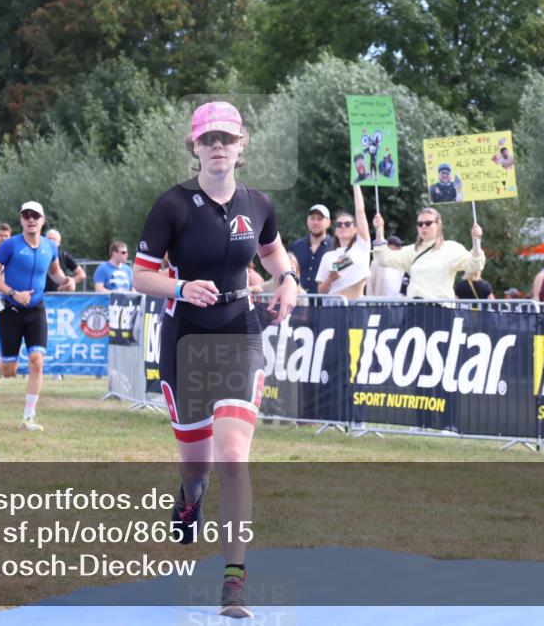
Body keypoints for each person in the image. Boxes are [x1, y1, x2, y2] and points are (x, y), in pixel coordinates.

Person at [132, 101, 297, 619]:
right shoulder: (172, 206)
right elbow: (141, 276)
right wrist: (180, 285)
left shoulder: (259, 203)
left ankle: (233, 581)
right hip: (185, 340)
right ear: (195, 146)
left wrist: (287, 279)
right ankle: (189, 493)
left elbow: (271, 252)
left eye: (227, 138)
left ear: (242, 144)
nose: (218, 146)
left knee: (233, 455)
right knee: (197, 462)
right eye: (209, 139)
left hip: (239, 332)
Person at [0, 201, 76, 430]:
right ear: (21, 220)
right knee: (10, 370)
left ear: (43, 220)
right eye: (26, 215)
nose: (31, 219)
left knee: (37, 361)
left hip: (36, 311)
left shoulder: (50, 247)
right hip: (10, 311)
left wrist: (66, 282)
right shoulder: (10, 246)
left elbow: (55, 272)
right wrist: (13, 292)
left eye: (36, 216)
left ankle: (28, 417)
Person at [371, 207, 485, 300]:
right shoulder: (412, 250)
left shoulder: (451, 248)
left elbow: (475, 266)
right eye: (420, 224)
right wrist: (379, 230)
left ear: (438, 225)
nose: (423, 226)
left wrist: (476, 241)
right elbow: (383, 259)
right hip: (414, 310)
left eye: (428, 223)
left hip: (440, 310)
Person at [315, 184, 372, 300]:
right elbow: (321, 291)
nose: (343, 227)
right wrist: (330, 279)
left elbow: (360, 211)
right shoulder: (328, 256)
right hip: (334, 308)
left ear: (355, 229)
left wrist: (356, 185)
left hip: (357, 307)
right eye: (339, 224)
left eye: (347, 224)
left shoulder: (361, 247)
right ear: (335, 231)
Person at [288, 204, 335, 295]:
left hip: (325, 304)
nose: (315, 222)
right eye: (312, 218)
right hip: (299, 303)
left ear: (328, 222)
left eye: (319, 219)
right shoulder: (296, 246)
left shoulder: (335, 247)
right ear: (307, 221)